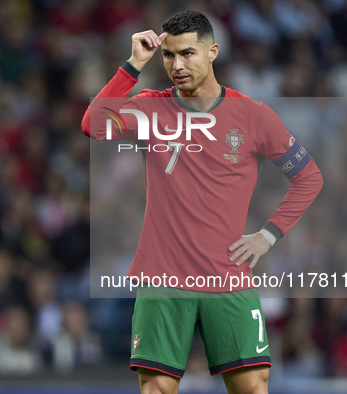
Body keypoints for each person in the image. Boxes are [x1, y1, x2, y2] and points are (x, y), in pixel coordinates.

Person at [81, 10, 323, 394]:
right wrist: (133, 64)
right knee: (156, 389)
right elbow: (93, 124)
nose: (177, 65)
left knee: (252, 387)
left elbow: (309, 177)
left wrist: (268, 235)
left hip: (227, 276)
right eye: (169, 55)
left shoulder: (253, 116)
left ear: (212, 52)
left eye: (188, 53)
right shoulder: (149, 108)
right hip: (163, 276)